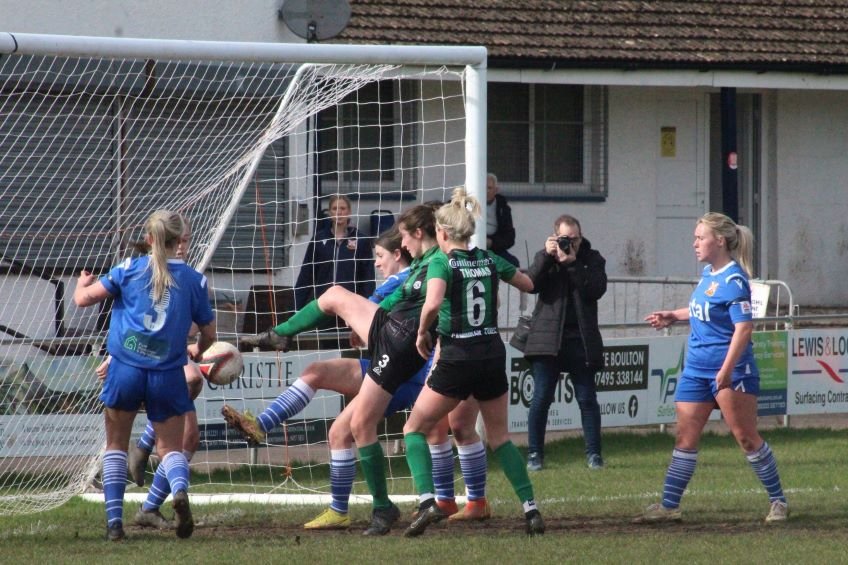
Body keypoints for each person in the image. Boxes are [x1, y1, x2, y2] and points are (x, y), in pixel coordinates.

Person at [239, 202, 446, 535]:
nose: (380, 261)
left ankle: (279, 335)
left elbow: (423, 302)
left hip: (403, 355)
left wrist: (423, 332)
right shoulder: (420, 267)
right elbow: (397, 302)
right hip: (392, 350)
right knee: (337, 418)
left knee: (335, 294)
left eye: (384, 254)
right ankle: (356, 509)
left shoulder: (430, 267)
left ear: (416, 236)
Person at [401, 187, 545, 537]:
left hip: (458, 355)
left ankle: (426, 504)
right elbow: (528, 284)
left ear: (443, 233)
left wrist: (422, 332)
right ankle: (531, 510)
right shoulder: (489, 259)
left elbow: (433, 303)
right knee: (499, 437)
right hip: (492, 354)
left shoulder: (441, 261)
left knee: (414, 429)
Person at [73, 210, 216, 541]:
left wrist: (83, 284)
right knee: (170, 449)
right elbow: (209, 332)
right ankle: (179, 492)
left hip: (125, 369)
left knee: (116, 445)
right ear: (179, 240)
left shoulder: (129, 269)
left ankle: (114, 526)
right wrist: (198, 348)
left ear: (150, 239)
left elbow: (82, 300)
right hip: (167, 374)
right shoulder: (195, 281)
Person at [636, 212, 787, 524]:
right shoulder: (709, 274)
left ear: (719, 241)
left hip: (730, 372)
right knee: (685, 437)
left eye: (700, 237)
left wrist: (727, 369)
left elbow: (743, 329)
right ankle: (669, 506)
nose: (694, 243)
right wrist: (674, 315)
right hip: (695, 370)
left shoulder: (734, 279)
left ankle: (778, 502)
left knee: (746, 437)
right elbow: (704, 310)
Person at [523, 214, 607, 471]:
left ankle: (594, 455)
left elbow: (595, 290)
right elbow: (530, 284)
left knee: (587, 399)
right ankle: (535, 454)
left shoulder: (592, 259)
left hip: (580, 339)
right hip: (547, 341)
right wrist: (547, 257)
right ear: (554, 237)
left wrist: (572, 264)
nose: (570, 244)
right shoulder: (545, 257)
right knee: (541, 399)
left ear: (581, 237)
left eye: (574, 239)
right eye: (564, 239)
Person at [294, 194, 375, 310]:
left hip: (350, 306)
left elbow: (368, 278)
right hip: (323, 304)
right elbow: (306, 276)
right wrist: (297, 308)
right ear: (330, 212)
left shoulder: (361, 240)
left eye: (342, 208)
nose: (339, 212)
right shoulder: (319, 239)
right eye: (335, 208)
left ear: (349, 212)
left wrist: (365, 307)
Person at [485, 173, 520, 268]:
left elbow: (509, 238)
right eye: (483, 188)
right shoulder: (470, 204)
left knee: (513, 263)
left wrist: (492, 242)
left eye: (489, 188)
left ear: (496, 190)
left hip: (495, 249)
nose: (486, 191)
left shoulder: (503, 208)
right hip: (471, 248)